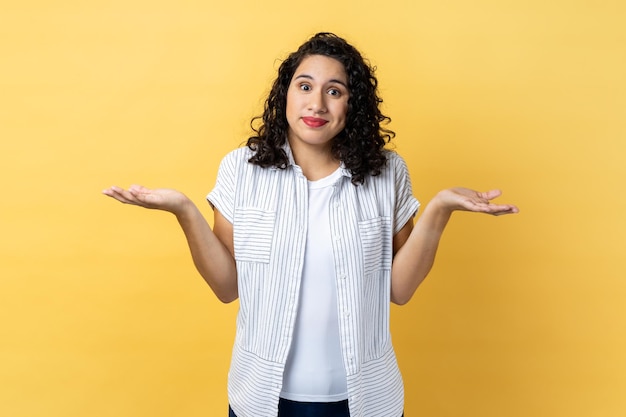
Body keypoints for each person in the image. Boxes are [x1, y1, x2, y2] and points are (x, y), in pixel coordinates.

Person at [103, 32, 518, 417]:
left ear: (351, 106)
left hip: (366, 401)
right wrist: (183, 209)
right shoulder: (241, 170)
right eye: (304, 86)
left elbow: (400, 290)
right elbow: (227, 287)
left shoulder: (387, 173)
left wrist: (439, 210)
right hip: (262, 400)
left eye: (333, 91)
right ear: (285, 95)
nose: (316, 103)